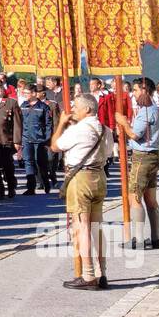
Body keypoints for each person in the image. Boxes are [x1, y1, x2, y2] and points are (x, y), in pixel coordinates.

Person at [50, 93, 112, 290]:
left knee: (81, 227)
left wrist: (61, 124)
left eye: (76, 106)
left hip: (80, 178)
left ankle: (88, 274)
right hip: (100, 176)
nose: (73, 110)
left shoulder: (79, 129)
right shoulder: (105, 129)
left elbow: (55, 146)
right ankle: (102, 272)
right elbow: (110, 152)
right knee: (97, 226)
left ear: (87, 109)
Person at [116, 77, 159, 249]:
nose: (133, 94)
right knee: (150, 198)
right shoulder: (154, 109)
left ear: (144, 90)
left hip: (143, 156)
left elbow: (135, 135)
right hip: (153, 155)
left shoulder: (145, 111)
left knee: (134, 196)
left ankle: (139, 239)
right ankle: (155, 237)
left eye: (135, 90)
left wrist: (123, 123)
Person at [0, 81, 22, 199]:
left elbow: (17, 124)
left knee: (8, 166)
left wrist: (17, 141)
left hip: (6, 141)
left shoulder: (11, 103)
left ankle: (11, 187)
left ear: (3, 89)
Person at [20, 81, 54, 195]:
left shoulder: (44, 107)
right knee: (28, 162)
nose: (25, 95)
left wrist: (47, 140)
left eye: (27, 93)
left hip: (40, 140)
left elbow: (49, 125)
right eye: (24, 93)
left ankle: (46, 183)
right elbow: (20, 122)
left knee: (41, 164)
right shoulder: (23, 106)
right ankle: (31, 187)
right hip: (26, 138)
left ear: (34, 93)